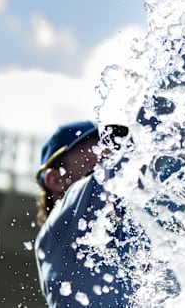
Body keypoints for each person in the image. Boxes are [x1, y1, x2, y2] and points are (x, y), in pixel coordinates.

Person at [34, 120, 135, 307]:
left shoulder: (124, 227)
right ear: (55, 179)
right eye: (98, 145)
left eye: (112, 143)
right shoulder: (59, 226)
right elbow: (140, 157)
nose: (110, 150)